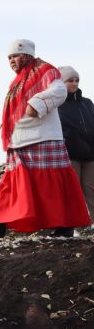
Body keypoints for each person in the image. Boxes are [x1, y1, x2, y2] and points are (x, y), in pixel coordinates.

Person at [0, 40, 89, 238]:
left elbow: (59, 90)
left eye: (16, 56)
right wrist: (8, 124)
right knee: (11, 182)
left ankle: (65, 226)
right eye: (9, 57)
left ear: (27, 56)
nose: (12, 61)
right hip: (19, 139)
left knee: (51, 184)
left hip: (43, 136)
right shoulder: (18, 81)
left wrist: (38, 103)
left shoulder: (46, 70)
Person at [58, 66, 94, 225]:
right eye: (69, 80)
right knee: (73, 192)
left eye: (76, 80)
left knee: (91, 190)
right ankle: (73, 225)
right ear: (60, 82)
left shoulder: (87, 103)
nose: (74, 83)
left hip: (90, 154)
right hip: (69, 154)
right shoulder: (56, 105)